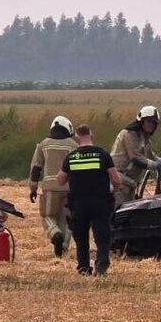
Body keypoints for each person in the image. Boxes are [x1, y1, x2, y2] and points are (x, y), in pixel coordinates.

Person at [58, 125, 122, 276]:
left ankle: (83, 268)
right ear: (91, 135)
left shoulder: (71, 157)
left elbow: (60, 180)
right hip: (100, 203)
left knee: (81, 239)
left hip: (78, 204)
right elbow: (116, 180)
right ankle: (101, 267)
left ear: (77, 138)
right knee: (102, 237)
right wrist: (113, 187)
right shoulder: (103, 155)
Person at [29, 115, 78, 258]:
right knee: (67, 219)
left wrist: (33, 188)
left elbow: (36, 168)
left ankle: (55, 233)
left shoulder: (43, 144)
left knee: (48, 216)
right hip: (69, 189)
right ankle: (62, 250)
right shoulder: (73, 145)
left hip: (50, 188)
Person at [110, 105, 161, 207]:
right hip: (119, 181)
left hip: (130, 184)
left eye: (154, 122)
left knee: (128, 216)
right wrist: (155, 165)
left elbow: (151, 156)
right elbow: (135, 158)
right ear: (141, 121)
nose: (151, 125)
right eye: (148, 121)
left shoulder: (145, 139)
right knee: (116, 215)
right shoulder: (129, 134)